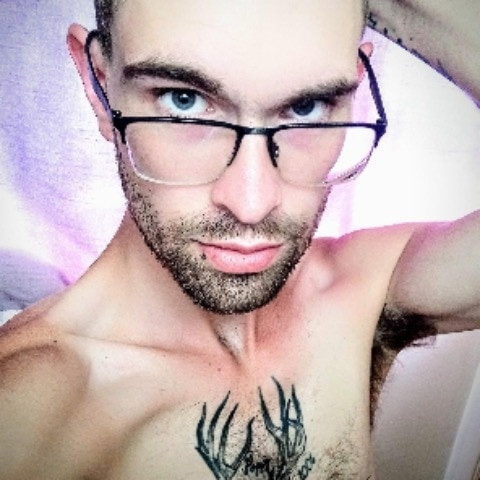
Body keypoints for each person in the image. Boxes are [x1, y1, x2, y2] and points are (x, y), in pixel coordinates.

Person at [0, 0, 478, 478]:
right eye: (182, 101)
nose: (252, 204)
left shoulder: (359, 292)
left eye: (306, 107)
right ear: (100, 85)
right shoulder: (31, 414)